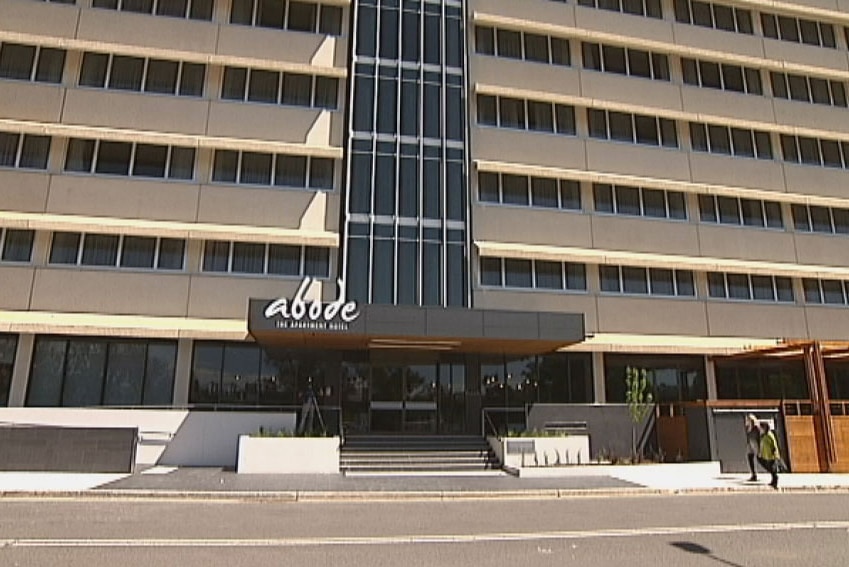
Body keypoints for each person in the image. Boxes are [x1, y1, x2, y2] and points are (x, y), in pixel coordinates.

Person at [757, 421, 781, 489]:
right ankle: (773, 479)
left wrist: (775, 454)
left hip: (771, 455)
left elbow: (774, 444)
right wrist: (760, 453)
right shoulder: (763, 436)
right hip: (766, 455)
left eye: (761, 428)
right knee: (769, 467)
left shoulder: (769, 435)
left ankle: (775, 481)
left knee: (772, 468)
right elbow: (762, 445)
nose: (760, 429)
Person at [745, 414, 761, 482]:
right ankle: (753, 474)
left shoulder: (756, 428)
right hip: (750, 444)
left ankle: (772, 471)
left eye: (747, 419)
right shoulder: (748, 428)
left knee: (760, 459)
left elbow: (759, 437)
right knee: (749, 457)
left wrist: (759, 447)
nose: (746, 421)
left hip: (755, 443)